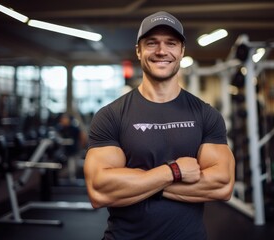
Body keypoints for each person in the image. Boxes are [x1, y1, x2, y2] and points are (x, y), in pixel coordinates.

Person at [84, 11, 235, 240]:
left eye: (171, 43)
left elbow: (222, 184)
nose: (161, 51)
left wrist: (139, 181)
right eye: (152, 43)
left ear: (181, 51)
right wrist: (173, 172)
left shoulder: (206, 114)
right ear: (138, 50)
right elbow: (100, 190)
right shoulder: (111, 115)